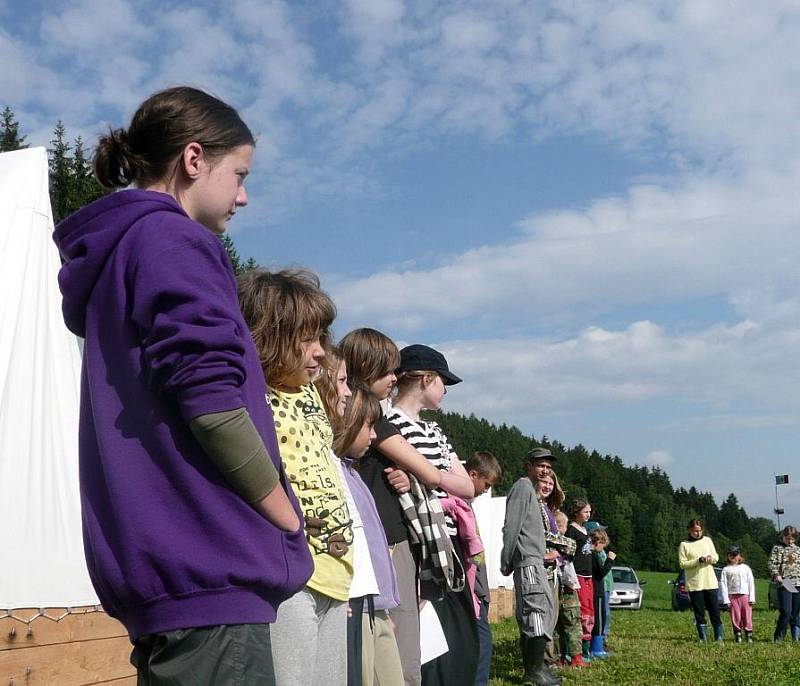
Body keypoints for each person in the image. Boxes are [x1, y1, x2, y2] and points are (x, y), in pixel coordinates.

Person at [52, 86, 312, 684]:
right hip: (210, 565)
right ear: (194, 159)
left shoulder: (121, 254)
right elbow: (211, 399)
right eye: (239, 174)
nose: (244, 196)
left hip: (166, 572)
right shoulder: (174, 239)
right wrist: (284, 515)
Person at [238, 268, 353, 685]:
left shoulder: (308, 391)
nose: (321, 351)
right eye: (306, 338)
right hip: (288, 576)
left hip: (335, 574)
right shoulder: (251, 397)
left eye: (321, 337)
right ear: (269, 336)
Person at [340, 329, 473, 686]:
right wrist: (421, 476)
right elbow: (432, 474)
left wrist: (414, 477)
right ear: (367, 370)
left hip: (398, 539)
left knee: (394, 645)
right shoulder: (377, 421)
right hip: (387, 538)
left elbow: (467, 486)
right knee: (397, 653)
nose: (394, 379)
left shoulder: (380, 421)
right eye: (387, 372)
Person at [387, 344, 478, 686]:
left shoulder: (434, 431)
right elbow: (455, 484)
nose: (444, 391)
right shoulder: (390, 424)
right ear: (425, 379)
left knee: (460, 641)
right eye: (443, 382)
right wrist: (440, 480)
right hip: (420, 543)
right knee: (431, 647)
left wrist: (429, 477)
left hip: (446, 544)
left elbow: (467, 486)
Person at [333, 383, 405, 686]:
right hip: (353, 604)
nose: (374, 436)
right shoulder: (335, 472)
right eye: (369, 426)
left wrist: (381, 602)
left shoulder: (352, 473)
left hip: (372, 604)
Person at [501, 453, 565, 686]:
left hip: (536, 561)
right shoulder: (522, 487)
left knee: (544, 611)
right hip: (528, 561)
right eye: (540, 466)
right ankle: (534, 671)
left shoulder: (532, 492)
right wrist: (506, 560)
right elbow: (511, 527)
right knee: (535, 612)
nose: (545, 471)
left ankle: (538, 669)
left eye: (548, 467)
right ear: (528, 465)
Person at [465, 451, 503, 686]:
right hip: (473, 589)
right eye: (486, 484)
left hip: (478, 586)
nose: (486, 490)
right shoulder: (459, 503)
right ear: (473, 474)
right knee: (481, 641)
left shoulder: (468, 505)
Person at [678, 518, 722, 642]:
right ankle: (703, 637)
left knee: (714, 611)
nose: (697, 533)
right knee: (699, 612)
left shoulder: (707, 540)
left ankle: (719, 637)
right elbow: (683, 564)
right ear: (689, 530)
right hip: (695, 584)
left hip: (710, 582)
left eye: (699, 531)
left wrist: (710, 558)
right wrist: (698, 560)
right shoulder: (684, 544)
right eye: (694, 531)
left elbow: (716, 557)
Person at [552, 511, 585, 669]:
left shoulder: (549, 545)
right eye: (565, 525)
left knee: (556, 626)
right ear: (560, 527)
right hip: (567, 590)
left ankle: (558, 658)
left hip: (554, 590)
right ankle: (576, 658)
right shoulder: (563, 544)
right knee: (572, 624)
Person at [566, 499, 595, 661]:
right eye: (585, 511)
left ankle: (587, 647)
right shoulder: (572, 529)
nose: (588, 514)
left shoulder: (585, 530)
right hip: (577, 575)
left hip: (588, 575)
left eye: (590, 512)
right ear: (577, 512)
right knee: (581, 610)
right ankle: (576, 650)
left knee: (589, 610)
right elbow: (569, 553)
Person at [767, 525, 800, 643]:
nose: (790, 541)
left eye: (792, 539)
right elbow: (771, 563)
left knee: (795, 612)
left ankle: (795, 637)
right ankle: (779, 637)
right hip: (785, 582)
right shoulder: (777, 548)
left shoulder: (798, 550)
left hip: (798, 582)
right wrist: (776, 575)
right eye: (787, 538)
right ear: (783, 537)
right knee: (786, 611)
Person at [587, 526, 616, 658]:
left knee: (603, 616)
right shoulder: (594, 555)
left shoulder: (594, 553)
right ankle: (597, 647)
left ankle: (597, 644)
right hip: (598, 590)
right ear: (598, 542)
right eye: (602, 544)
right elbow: (601, 573)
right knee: (599, 617)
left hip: (600, 589)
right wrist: (610, 560)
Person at [720, 546, 756, 643]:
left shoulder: (745, 568)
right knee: (735, 616)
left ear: (740, 556)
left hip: (745, 595)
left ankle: (749, 634)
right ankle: (737, 633)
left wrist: (752, 597)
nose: (733, 557)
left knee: (747, 615)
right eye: (731, 555)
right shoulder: (726, 569)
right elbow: (723, 585)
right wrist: (726, 600)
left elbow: (751, 583)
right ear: (728, 556)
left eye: (735, 555)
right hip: (733, 596)